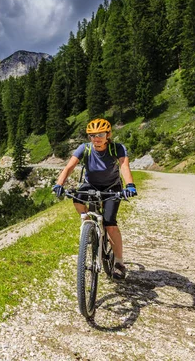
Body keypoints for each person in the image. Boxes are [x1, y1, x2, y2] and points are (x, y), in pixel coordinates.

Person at [52, 118, 137, 280]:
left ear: (108, 135)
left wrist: (130, 185)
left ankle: (119, 263)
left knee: (110, 224)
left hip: (112, 187)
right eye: (92, 135)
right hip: (90, 184)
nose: (96, 138)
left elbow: (124, 166)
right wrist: (59, 184)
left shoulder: (116, 148)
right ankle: (86, 223)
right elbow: (69, 167)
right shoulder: (85, 148)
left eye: (100, 134)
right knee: (77, 197)